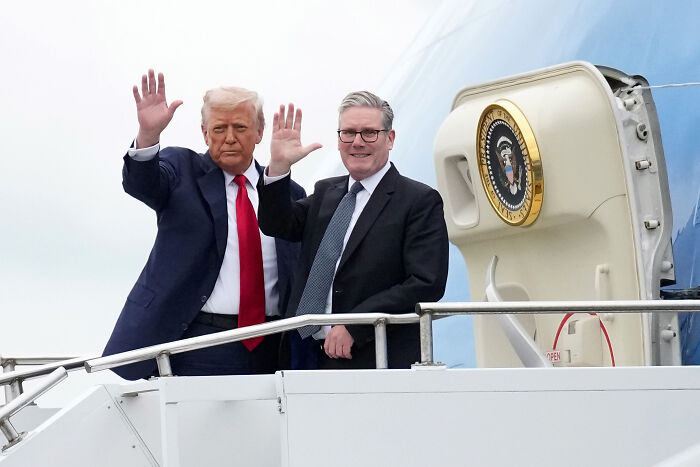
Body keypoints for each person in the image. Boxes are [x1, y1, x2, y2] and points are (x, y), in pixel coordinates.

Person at [103, 70, 306, 380]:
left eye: (240, 127)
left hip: (272, 345)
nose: (229, 137)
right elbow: (143, 183)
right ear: (204, 132)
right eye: (219, 128)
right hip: (198, 344)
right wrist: (148, 136)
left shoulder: (287, 193)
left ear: (260, 131)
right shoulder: (181, 171)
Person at [258, 91, 449, 369]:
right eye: (348, 133)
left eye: (369, 133)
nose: (357, 142)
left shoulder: (418, 201)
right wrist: (278, 166)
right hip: (307, 355)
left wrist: (357, 324)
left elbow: (426, 283)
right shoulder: (326, 192)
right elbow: (278, 224)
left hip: (375, 357)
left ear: (390, 138)